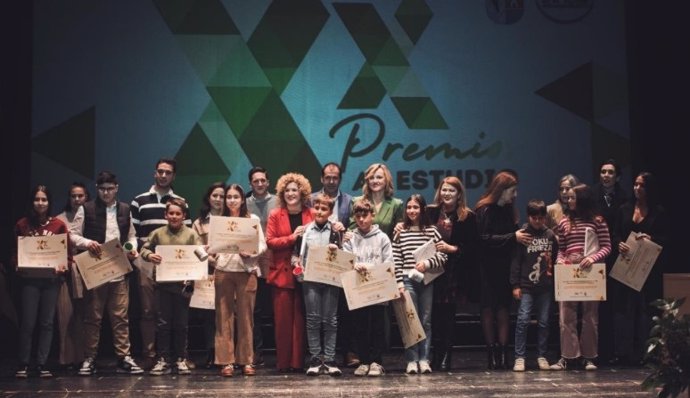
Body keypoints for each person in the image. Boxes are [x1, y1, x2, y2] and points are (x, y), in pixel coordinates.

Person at [71, 171, 144, 376]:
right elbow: (72, 235)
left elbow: (131, 235)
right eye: (102, 189)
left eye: (110, 188)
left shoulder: (125, 209)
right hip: (95, 269)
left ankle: (124, 358)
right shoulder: (86, 209)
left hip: (119, 269)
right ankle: (90, 358)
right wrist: (87, 243)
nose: (106, 192)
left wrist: (132, 248)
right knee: (93, 317)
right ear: (97, 189)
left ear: (116, 188)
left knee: (120, 317)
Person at [130, 157, 191, 370]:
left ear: (174, 175)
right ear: (155, 173)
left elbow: (191, 242)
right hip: (148, 266)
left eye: (168, 172)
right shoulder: (139, 200)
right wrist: (149, 254)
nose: (163, 175)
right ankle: (152, 355)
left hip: (177, 271)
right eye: (160, 171)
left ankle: (179, 357)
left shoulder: (181, 201)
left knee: (178, 317)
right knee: (149, 311)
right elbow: (133, 235)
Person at [551, 184, 611, 371]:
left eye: (572, 198)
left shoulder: (597, 221)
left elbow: (607, 247)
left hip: (590, 272)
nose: (568, 201)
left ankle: (589, 357)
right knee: (566, 315)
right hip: (569, 272)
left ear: (582, 199)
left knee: (590, 316)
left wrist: (592, 258)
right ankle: (568, 356)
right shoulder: (563, 222)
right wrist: (561, 262)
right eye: (567, 198)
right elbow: (561, 249)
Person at [475, 171, 531, 369]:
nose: (515, 195)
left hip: (506, 266)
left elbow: (515, 236)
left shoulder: (509, 211)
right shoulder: (484, 210)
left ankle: (503, 351)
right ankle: (491, 352)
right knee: (488, 307)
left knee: (504, 308)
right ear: (502, 190)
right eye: (512, 191)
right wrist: (511, 237)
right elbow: (483, 239)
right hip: (487, 267)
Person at [611, 172, 669, 366]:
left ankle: (648, 354)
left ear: (649, 188)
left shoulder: (658, 211)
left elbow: (666, 239)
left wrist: (651, 239)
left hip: (647, 266)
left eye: (641, 185)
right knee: (624, 310)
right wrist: (619, 243)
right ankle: (623, 353)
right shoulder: (624, 208)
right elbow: (616, 233)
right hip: (626, 264)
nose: (637, 188)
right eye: (635, 184)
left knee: (646, 311)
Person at [139, 198, 202, 376]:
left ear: (183, 216)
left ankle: (181, 358)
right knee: (163, 323)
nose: (174, 217)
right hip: (162, 284)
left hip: (183, 286)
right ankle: (163, 359)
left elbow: (199, 252)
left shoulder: (191, 234)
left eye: (178, 214)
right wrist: (150, 255)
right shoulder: (157, 233)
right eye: (171, 213)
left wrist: (204, 253)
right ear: (166, 215)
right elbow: (144, 249)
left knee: (181, 324)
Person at [13, 185, 70, 378]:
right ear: (32, 202)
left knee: (46, 323)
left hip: (51, 281)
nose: (40, 203)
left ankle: (41, 363)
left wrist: (64, 266)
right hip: (29, 280)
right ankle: (23, 363)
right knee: (28, 322)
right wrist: (18, 264)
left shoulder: (58, 225)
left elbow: (67, 255)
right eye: (37, 199)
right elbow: (15, 253)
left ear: (49, 202)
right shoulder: (22, 224)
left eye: (44, 199)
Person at [213, 184, 266, 377]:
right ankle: (226, 361)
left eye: (236, 197)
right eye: (229, 197)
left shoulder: (251, 219)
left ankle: (246, 360)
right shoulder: (218, 221)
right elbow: (212, 246)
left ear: (243, 199)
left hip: (247, 270)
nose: (232, 200)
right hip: (224, 270)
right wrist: (213, 254)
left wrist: (251, 252)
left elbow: (262, 244)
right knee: (223, 317)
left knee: (246, 318)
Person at [426, 176, 479, 371]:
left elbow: (474, 248)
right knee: (432, 316)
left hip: (453, 274)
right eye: (444, 189)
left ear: (459, 195)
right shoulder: (430, 213)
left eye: (451, 191)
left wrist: (453, 248)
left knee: (447, 317)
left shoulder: (468, 216)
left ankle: (445, 356)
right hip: (430, 272)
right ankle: (433, 354)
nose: (446, 194)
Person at [265, 172, 314, 372]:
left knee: (302, 321)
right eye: (287, 190)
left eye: (295, 190)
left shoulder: (311, 213)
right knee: (283, 322)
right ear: (282, 193)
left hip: (308, 275)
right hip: (282, 275)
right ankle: (284, 363)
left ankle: (298, 363)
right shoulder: (276, 214)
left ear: (301, 192)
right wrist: (292, 237)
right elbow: (270, 241)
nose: (291, 194)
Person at [394, 194, 447, 375]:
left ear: (422, 209)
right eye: (409, 207)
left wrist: (427, 264)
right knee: (410, 320)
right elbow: (396, 260)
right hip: (407, 280)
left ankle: (424, 359)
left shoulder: (432, 231)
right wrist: (399, 282)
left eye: (415, 207)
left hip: (426, 280)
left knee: (425, 321)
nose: (412, 211)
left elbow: (443, 255)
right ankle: (411, 359)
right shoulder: (400, 232)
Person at [312, 162, 358, 368]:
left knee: (343, 312)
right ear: (322, 179)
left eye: (335, 177)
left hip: (341, 264)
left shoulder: (350, 201)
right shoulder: (311, 200)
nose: (331, 181)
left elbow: (356, 228)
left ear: (340, 179)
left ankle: (346, 352)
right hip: (316, 265)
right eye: (327, 177)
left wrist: (346, 230)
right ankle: (316, 355)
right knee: (316, 315)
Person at [343, 198, 394, 377]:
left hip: (378, 290)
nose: (362, 220)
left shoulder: (382, 238)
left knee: (377, 326)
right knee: (360, 326)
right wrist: (354, 264)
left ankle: (376, 361)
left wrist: (370, 268)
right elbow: (346, 259)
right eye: (358, 216)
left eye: (365, 216)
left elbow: (388, 262)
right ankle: (364, 360)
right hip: (359, 291)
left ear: (372, 215)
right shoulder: (350, 237)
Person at [295, 193, 343, 376]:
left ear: (330, 212)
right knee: (313, 320)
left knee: (330, 320)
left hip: (331, 280)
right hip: (311, 280)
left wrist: (337, 250)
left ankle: (330, 359)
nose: (320, 211)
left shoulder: (337, 231)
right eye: (317, 208)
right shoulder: (305, 231)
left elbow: (345, 256)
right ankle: (315, 359)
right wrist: (297, 267)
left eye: (324, 209)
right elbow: (296, 255)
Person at [510, 200, 558, 372]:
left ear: (545, 217)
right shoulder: (523, 235)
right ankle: (519, 357)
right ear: (528, 217)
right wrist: (515, 285)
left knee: (544, 322)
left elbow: (556, 258)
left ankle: (542, 355)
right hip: (526, 286)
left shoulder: (550, 235)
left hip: (545, 286)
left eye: (540, 218)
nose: (537, 221)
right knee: (522, 320)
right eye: (534, 218)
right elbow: (516, 262)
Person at [591, 159, 627, 363]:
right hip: (596, 256)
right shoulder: (591, 195)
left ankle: (616, 351)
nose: (606, 175)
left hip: (618, 256)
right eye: (603, 171)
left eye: (610, 172)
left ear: (617, 176)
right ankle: (599, 352)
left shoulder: (624, 197)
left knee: (616, 304)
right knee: (598, 305)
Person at [246, 166, 278, 367]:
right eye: (255, 181)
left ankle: (279, 353)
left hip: (275, 261)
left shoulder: (278, 201)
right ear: (250, 183)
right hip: (251, 263)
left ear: (268, 182)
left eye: (262, 180)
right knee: (254, 311)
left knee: (276, 310)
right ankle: (256, 353)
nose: (259, 184)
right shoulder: (244, 204)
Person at [55, 182, 89, 369]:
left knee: (83, 316)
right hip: (65, 271)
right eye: (73, 196)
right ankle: (66, 358)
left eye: (81, 196)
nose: (77, 199)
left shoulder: (91, 217)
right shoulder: (59, 220)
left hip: (87, 269)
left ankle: (83, 357)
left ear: (86, 197)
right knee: (64, 315)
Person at [191, 182, 225, 368]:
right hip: (207, 273)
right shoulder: (199, 222)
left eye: (222, 196)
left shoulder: (232, 218)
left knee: (227, 315)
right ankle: (211, 352)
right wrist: (210, 260)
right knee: (208, 316)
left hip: (229, 271)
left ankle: (226, 353)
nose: (218, 199)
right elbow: (195, 248)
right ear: (208, 198)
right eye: (215, 196)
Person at [350, 163, 403, 239]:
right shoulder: (356, 201)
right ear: (367, 181)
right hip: (361, 247)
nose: (375, 181)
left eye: (379, 177)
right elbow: (352, 229)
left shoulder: (397, 204)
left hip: (386, 248)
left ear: (386, 180)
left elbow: (398, 233)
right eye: (371, 178)